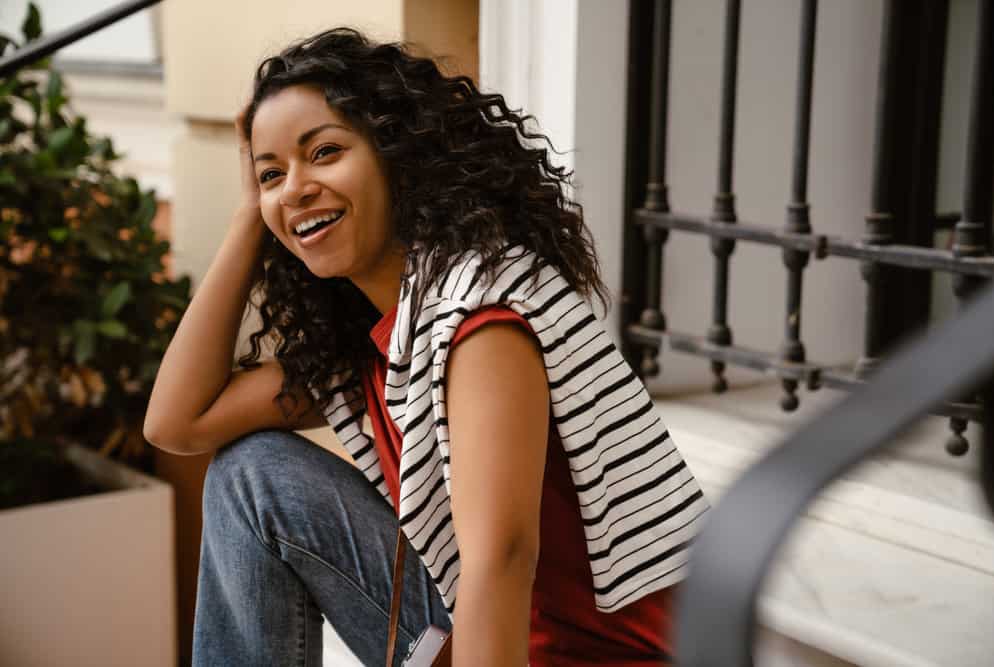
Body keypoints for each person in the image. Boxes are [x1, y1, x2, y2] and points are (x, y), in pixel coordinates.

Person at [143, 27, 708, 667]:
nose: (295, 187)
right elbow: (176, 423)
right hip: (487, 629)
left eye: (324, 152)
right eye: (272, 171)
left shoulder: (482, 316)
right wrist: (253, 212)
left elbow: (501, 560)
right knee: (251, 475)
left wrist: (275, 186)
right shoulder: (374, 345)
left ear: (396, 154)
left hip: (594, 655)